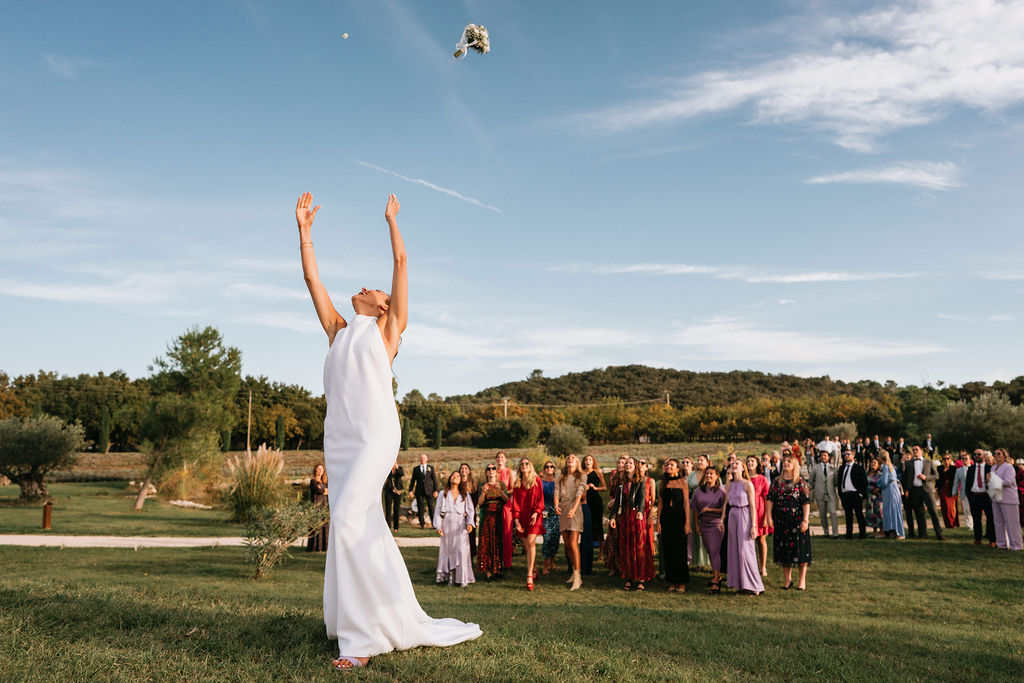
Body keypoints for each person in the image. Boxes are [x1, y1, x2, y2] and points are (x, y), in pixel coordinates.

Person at [297, 191, 479, 670]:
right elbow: (311, 279)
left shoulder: (387, 331)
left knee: (350, 519)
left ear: (384, 307)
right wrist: (305, 232)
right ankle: (368, 615)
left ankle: (359, 642)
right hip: (340, 441)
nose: (368, 287)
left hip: (376, 437)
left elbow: (400, 262)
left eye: (377, 290)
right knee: (358, 526)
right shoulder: (338, 329)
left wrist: (391, 221)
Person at [766, 453, 812, 590]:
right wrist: (768, 517)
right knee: (783, 551)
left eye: (789, 461)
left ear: (795, 465)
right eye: (784, 461)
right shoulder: (776, 482)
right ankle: (787, 580)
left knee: (800, 551)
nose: (786, 463)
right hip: (781, 521)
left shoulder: (800, 482)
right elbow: (770, 499)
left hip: (797, 521)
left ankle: (802, 581)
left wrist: (805, 520)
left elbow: (805, 502)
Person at [610, 456, 655, 591]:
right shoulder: (622, 483)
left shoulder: (640, 481)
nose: (628, 465)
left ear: (635, 466)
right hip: (625, 518)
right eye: (626, 463)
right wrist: (613, 517)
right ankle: (629, 577)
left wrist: (641, 511)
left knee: (639, 547)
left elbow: (642, 498)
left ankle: (641, 578)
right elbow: (617, 502)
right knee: (627, 548)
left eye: (630, 463)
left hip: (637, 517)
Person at [723, 459, 764, 595]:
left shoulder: (748, 484)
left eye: (737, 464)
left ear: (742, 468)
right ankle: (740, 584)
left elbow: (753, 505)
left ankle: (754, 585)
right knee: (734, 550)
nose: (734, 465)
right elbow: (726, 502)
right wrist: (722, 519)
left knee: (745, 551)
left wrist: (753, 525)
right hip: (732, 515)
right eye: (733, 464)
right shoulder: (729, 484)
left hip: (745, 514)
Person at [433, 471, 476, 587]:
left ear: (460, 480)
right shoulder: (443, 493)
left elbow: (470, 510)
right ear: (450, 478)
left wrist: (469, 522)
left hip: (460, 524)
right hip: (447, 525)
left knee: (461, 550)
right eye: (453, 475)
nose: (455, 477)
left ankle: (462, 578)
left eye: (458, 476)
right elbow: (438, 511)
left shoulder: (464, 494)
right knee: (448, 550)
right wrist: (438, 525)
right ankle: (450, 576)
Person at [657, 458, 690, 593]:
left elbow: (686, 503)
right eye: (667, 465)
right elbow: (660, 503)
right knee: (668, 550)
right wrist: (658, 521)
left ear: (677, 468)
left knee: (680, 551)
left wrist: (687, 522)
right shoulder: (663, 483)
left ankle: (681, 582)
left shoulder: (682, 482)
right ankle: (672, 581)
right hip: (666, 518)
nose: (668, 467)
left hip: (679, 518)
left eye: (672, 465)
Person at [555, 453, 588, 591]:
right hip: (563, 508)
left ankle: (578, 576)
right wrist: (556, 506)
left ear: (577, 462)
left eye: (573, 458)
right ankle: (574, 573)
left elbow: (580, 493)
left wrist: (574, 509)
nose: (570, 459)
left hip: (576, 508)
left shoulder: (582, 475)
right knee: (567, 544)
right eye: (568, 458)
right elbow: (556, 492)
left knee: (574, 543)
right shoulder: (560, 476)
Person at [511, 458, 544, 590]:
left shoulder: (537, 480)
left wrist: (536, 512)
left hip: (535, 515)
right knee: (526, 546)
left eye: (526, 463)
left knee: (530, 542)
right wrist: (516, 520)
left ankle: (529, 575)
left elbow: (541, 499)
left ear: (530, 466)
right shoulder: (517, 484)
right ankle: (534, 568)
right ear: (519, 467)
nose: (524, 465)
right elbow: (515, 503)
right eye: (522, 464)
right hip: (522, 517)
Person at [692, 467, 727, 593]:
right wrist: (696, 525)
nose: (708, 476)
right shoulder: (699, 491)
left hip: (716, 524)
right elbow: (695, 509)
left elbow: (725, 509)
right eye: (707, 474)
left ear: (717, 476)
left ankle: (716, 581)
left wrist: (710, 510)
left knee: (713, 550)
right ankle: (717, 575)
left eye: (711, 474)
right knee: (710, 551)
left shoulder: (721, 491)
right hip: (703, 524)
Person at [900, 445, 945, 540]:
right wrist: (906, 489)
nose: (915, 451)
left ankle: (939, 534)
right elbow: (905, 476)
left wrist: (926, 477)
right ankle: (923, 534)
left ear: (921, 451)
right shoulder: (909, 463)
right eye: (913, 450)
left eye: (917, 449)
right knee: (919, 513)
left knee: (933, 511)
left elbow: (936, 476)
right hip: (914, 490)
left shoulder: (928, 462)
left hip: (927, 490)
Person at [477, 464, 508, 580]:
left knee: (498, 542)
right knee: (487, 542)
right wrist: (484, 492)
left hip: (499, 516)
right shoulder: (483, 485)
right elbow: (480, 503)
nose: (491, 470)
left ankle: (498, 569)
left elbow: (506, 500)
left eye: (493, 468)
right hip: (487, 517)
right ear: (486, 472)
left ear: (496, 471)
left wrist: (500, 491)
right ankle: (488, 572)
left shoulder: (502, 485)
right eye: (488, 469)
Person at [990, 449, 1022, 551]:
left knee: (1012, 524)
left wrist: (993, 480)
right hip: (996, 498)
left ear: (1004, 456)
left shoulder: (1009, 467)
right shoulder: (993, 467)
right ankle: (1001, 544)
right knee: (998, 522)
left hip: (1008, 499)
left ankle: (1016, 545)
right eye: (995, 454)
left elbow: (1008, 482)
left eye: (999, 453)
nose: (996, 455)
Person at [746, 455, 771, 578]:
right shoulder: (744, 479)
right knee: (747, 541)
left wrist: (766, 517)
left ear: (757, 464)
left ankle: (763, 567)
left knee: (761, 540)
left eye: (752, 461)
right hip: (746, 512)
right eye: (748, 461)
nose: (750, 463)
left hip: (760, 512)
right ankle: (751, 567)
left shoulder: (762, 479)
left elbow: (767, 498)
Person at [581, 454, 606, 575]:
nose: (588, 461)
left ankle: (601, 553)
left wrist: (595, 488)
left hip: (596, 501)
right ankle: (587, 552)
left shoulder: (598, 472)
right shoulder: (581, 473)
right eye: (586, 460)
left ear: (593, 461)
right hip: (585, 502)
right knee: (587, 528)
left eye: (590, 460)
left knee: (598, 527)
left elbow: (605, 488)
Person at [603, 456, 627, 575]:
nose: (621, 464)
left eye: (623, 463)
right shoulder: (614, 479)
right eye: (619, 462)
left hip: (625, 512)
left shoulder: (629, 479)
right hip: (615, 512)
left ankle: (624, 566)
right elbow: (611, 494)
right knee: (613, 539)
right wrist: (611, 501)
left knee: (623, 540)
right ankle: (614, 566)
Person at [837, 449, 868, 539]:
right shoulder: (842, 468)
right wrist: (841, 493)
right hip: (845, 494)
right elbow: (839, 481)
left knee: (859, 514)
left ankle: (862, 534)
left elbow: (864, 482)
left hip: (855, 494)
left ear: (853, 456)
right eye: (845, 454)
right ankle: (849, 534)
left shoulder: (858, 468)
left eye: (848, 454)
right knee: (848, 515)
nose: (846, 456)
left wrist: (861, 494)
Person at [687, 454, 711, 569]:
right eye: (698, 460)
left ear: (707, 463)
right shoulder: (692, 474)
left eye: (702, 460)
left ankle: (708, 560)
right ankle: (697, 560)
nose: (699, 462)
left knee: (706, 533)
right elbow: (686, 489)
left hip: (707, 506)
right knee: (695, 532)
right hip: (693, 506)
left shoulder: (710, 473)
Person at [966, 450, 996, 546]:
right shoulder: (970, 469)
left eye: (979, 454)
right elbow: (967, 483)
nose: (977, 456)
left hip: (986, 496)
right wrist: (969, 495)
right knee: (976, 519)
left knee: (990, 518)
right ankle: (977, 539)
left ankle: (992, 540)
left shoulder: (989, 468)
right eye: (975, 454)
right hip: (974, 496)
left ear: (983, 456)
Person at [808, 451, 838, 538]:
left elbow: (836, 481)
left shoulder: (833, 468)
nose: (823, 457)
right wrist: (816, 488)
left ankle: (835, 533)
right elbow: (811, 481)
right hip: (820, 494)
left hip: (831, 494)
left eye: (825, 455)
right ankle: (826, 532)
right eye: (821, 455)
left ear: (829, 457)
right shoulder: (815, 468)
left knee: (833, 513)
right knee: (822, 515)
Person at [495, 451, 515, 570]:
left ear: (505, 459)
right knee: (495, 534)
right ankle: (496, 561)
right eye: (498, 457)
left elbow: (513, 489)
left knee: (507, 534)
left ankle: (507, 562)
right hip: (494, 505)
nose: (500, 459)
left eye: (502, 457)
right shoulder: (493, 472)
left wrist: (503, 493)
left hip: (507, 505)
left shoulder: (509, 472)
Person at [539, 461, 560, 576]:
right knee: (547, 537)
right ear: (544, 469)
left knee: (555, 538)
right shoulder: (540, 482)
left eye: (551, 466)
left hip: (556, 511)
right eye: (547, 466)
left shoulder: (558, 481)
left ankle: (552, 561)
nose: (549, 468)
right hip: (544, 511)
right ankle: (545, 565)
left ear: (554, 469)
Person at [878, 451, 905, 539]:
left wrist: (878, 484)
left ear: (882, 458)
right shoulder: (891, 466)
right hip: (892, 488)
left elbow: (884, 481)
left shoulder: (886, 467)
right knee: (893, 510)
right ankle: (894, 531)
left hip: (890, 490)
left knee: (892, 510)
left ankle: (898, 532)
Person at [409, 453, 440, 529]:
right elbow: (413, 480)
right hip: (419, 491)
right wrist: (410, 490)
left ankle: (434, 524)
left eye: (424, 458)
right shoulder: (416, 469)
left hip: (429, 490)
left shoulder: (430, 468)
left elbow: (435, 480)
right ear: (420, 460)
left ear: (426, 459)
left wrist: (436, 490)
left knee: (431, 507)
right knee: (420, 508)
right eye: (421, 458)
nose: (422, 459)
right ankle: (422, 524)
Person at [307, 463, 329, 551]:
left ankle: (324, 546)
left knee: (325, 525)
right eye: (319, 469)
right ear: (315, 470)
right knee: (317, 525)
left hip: (324, 506)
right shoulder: (313, 481)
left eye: (322, 469)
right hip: (316, 506)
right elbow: (319, 491)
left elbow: (328, 491)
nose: (320, 471)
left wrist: (323, 490)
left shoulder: (325, 482)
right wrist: (323, 490)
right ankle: (316, 547)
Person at [459, 463, 479, 557]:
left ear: (469, 471)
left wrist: (467, 512)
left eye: (466, 468)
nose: (464, 470)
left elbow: (475, 501)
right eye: (462, 468)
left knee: (470, 537)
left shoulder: (473, 485)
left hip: (470, 514)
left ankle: (470, 558)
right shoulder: (457, 484)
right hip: (459, 514)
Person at [937, 453, 959, 529]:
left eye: (947, 458)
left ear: (950, 459)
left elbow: (955, 480)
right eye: (944, 459)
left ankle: (952, 524)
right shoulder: (939, 468)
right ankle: (947, 524)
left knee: (950, 508)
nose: (946, 460)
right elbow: (938, 479)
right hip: (942, 489)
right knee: (943, 507)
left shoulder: (954, 468)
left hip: (950, 489)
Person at [952, 452, 973, 529]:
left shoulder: (974, 468)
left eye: (966, 459)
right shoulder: (959, 470)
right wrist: (954, 492)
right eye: (963, 459)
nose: (964, 460)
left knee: (973, 510)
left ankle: (976, 524)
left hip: (974, 493)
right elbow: (956, 482)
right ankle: (969, 526)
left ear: (970, 460)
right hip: (964, 493)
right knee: (967, 510)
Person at [383, 460, 404, 532]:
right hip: (389, 490)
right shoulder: (387, 469)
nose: (394, 463)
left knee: (396, 509)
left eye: (395, 462)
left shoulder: (400, 468)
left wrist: (397, 468)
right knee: (388, 509)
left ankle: (396, 527)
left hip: (397, 491)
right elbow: (385, 476)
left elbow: (401, 474)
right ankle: (388, 526)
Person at [865, 457, 884, 537]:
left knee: (879, 514)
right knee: (871, 514)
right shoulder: (867, 473)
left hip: (877, 497)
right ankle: (874, 531)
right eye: (872, 463)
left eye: (875, 463)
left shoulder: (880, 474)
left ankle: (882, 532)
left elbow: (883, 484)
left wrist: (878, 489)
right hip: (869, 497)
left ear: (878, 465)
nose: (873, 464)